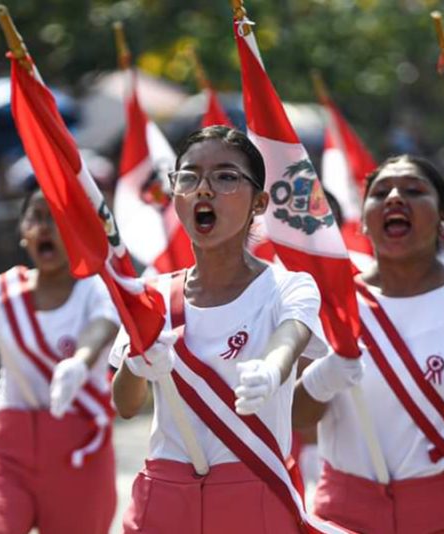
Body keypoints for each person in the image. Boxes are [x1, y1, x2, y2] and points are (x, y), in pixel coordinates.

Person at [110, 126, 354, 533]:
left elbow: (291, 337)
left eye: (225, 177)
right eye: (189, 177)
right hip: (164, 497)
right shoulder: (152, 294)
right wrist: (136, 365)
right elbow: (126, 404)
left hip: (253, 491)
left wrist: (271, 370)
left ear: (259, 202)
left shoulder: (289, 286)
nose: (204, 189)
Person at [294, 155, 444, 533]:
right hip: (347, 514)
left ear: (443, 218)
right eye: (380, 193)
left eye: (414, 190)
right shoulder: (332, 305)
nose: (395, 198)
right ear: (363, 221)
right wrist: (326, 375)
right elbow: (297, 417)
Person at [0, 176, 119, 534]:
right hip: (7, 446)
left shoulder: (95, 288)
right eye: (37, 217)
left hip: (79, 447)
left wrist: (79, 362)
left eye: (58, 220)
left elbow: (103, 327)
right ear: (23, 231)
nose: (46, 228)